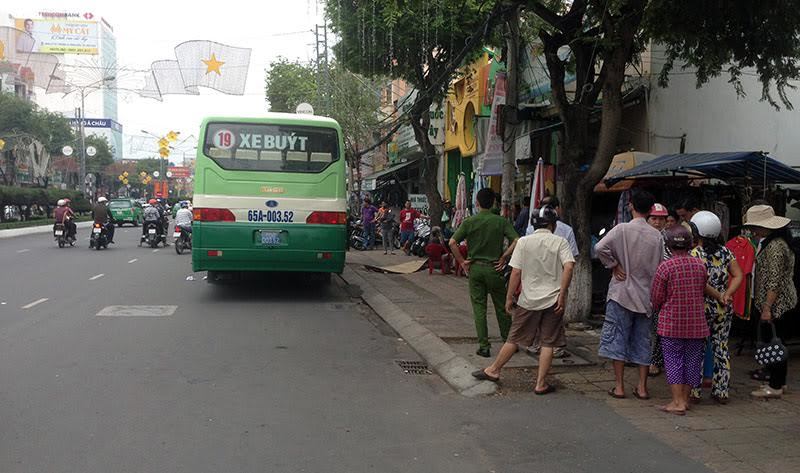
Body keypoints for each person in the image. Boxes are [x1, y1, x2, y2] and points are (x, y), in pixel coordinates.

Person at [472, 206, 575, 393]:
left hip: (528, 300)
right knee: (548, 342)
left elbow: (516, 272)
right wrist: (562, 294)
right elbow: (568, 267)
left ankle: (494, 370)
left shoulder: (523, 242)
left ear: (533, 224)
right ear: (552, 225)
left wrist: (509, 297)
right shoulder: (560, 242)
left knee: (514, 338)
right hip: (553, 300)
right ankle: (540, 384)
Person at [596, 189, 663, 400]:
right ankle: (642, 388)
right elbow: (660, 266)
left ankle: (619, 387)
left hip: (621, 293)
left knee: (618, 339)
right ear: (650, 209)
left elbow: (599, 247)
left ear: (631, 205)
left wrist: (613, 264)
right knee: (643, 341)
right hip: (646, 296)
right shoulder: (657, 236)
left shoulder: (622, 229)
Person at [449, 188, 519, 357]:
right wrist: (504, 257)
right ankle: (508, 342)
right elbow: (517, 240)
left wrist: (462, 262)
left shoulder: (469, 221)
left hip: (475, 269)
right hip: (495, 268)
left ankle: (484, 346)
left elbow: (452, 242)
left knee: (479, 309)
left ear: (477, 203)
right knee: (502, 307)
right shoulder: (501, 221)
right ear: (494, 203)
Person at [650, 225, 709, 415]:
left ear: (668, 245)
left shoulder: (665, 267)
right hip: (696, 323)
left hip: (671, 323)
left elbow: (656, 298)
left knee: (673, 361)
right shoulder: (700, 265)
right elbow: (702, 289)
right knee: (692, 361)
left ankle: (677, 402)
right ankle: (684, 399)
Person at [688, 211, 743, 404]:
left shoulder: (695, 254)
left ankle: (694, 392)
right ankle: (721, 391)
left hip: (700, 308)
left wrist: (719, 295)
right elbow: (738, 275)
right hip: (723, 309)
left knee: (698, 348)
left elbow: (700, 283)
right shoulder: (726, 252)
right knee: (721, 347)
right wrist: (726, 294)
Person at [745, 205, 797, 399]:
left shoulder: (775, 247)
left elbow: (774, 280)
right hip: (779, 302)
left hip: (777, 304)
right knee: (777, 343)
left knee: (774, 344)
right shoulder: (776, 242)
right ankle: (779, 382)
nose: (753, 231)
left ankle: (775, 385)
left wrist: (767, 307)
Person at [647, 203, 671, 378]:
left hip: (661, 289)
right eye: (654, 218)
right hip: (642, 288)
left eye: (661, 219)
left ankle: (654, 361)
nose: (657, 222)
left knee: (657, 327)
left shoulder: (669, 239)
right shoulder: (641, 236)